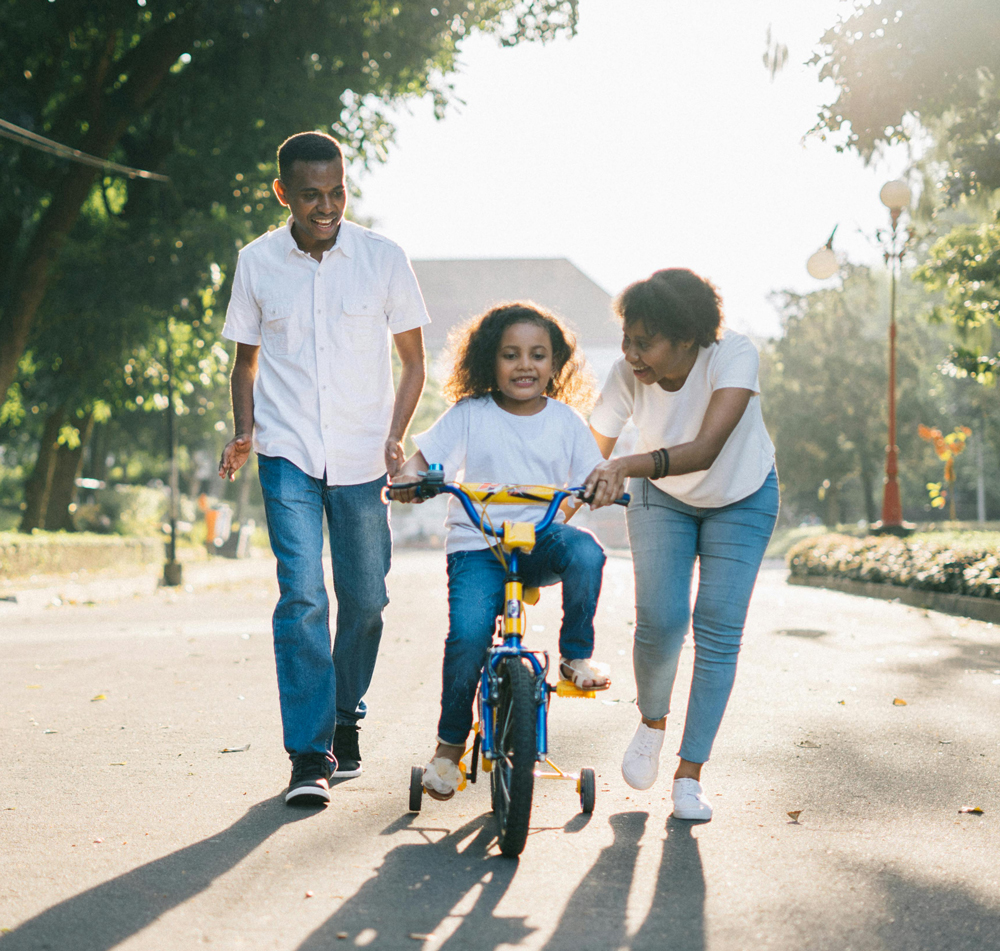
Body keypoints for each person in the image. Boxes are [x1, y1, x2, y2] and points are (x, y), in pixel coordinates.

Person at [218, 131, 430, 806]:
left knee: (366, 601)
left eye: (337, 192)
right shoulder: (256, 263)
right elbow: (245, 361)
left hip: (364, 456)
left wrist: (397, 436)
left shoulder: (383, 258)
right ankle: (309, 755)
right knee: (303, 596)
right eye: (311, 195)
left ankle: (345, 716)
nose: (327, 206)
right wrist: (245, 430)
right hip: (286, 454)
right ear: (284, 193)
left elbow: (414, 361)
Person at [392, 303, 610, 800]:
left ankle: (576, 656)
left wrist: (600, 487)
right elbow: (421, 461)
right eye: (511, 355)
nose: (525, 365)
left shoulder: (567, 422)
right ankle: (449, 749)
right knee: (468, 636)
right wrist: (409, 479)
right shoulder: (470, 414)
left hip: (538, 541)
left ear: (555, 365)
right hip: (478, 546)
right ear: (491, 361)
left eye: (538, 355)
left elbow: (592, 475)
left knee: (588, 553)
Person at [584, 268, 778, 822]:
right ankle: (651, 722)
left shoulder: (732, 355)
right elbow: (586, 454)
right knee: (662, 620)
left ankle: (690, 775)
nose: (630, 353)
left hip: (742, 494)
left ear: (687, 338)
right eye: (627, 338)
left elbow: (708, 448)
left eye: (644, 342)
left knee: (718, 627)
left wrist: (623, 464)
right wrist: (554, 510)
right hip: (661, 498)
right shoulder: (626, 375)